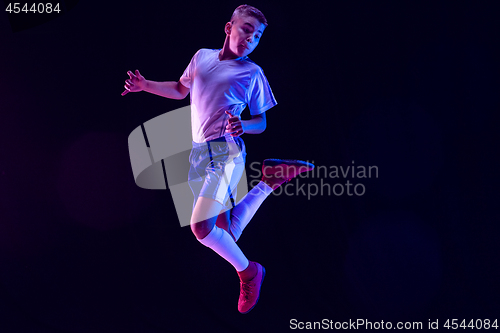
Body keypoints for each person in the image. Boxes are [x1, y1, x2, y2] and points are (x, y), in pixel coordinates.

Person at [122, 4, 313, 314]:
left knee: (201, 229)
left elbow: (261, 122)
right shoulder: (202, 57)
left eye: (258, 36)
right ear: (229, 28)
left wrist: (244, 125)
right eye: (246, 30)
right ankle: (268, 181)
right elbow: (179, 89)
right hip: (198, 153)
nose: (251, 39)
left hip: (227, 154)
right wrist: (145, 86)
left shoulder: (252, 73)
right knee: (225, 234)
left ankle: (250, 272)